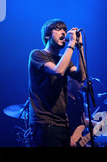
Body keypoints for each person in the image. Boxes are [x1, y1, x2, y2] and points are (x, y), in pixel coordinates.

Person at [28, 18, 86, 147]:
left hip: (63, 123)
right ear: (47, 35)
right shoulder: (37, 54)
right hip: (44, 123)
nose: (64, 33)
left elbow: (81, 77)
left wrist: (80, 48)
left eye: (65, 30)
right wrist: (71, 44)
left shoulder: (63, 59)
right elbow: (58, 70)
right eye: (58, 29)